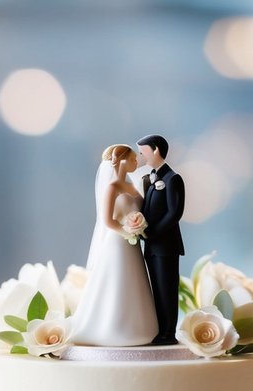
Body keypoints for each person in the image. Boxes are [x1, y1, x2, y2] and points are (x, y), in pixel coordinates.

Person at [70, 144, 159, 347]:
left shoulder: (131, 185)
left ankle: (136, 326)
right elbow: (107, 221)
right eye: (133, 159)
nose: (137, 162)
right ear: (121, 161)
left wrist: (138, 226)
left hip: (133, 243)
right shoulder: (112, 188)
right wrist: (127, 230)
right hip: (118, 242)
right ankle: (111, 327)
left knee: (133, 281)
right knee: (117, 280)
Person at [136, 134, 186, 345]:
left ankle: (168, 332)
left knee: (167, 289)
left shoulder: (172, 179)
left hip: (166, 245)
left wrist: (153, 231)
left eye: (143, 152)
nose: (141, 156)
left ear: (155, 150)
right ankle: (160, 329)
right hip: (152, 245)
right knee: (156, 288)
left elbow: (175, 213)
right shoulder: (151, 178)